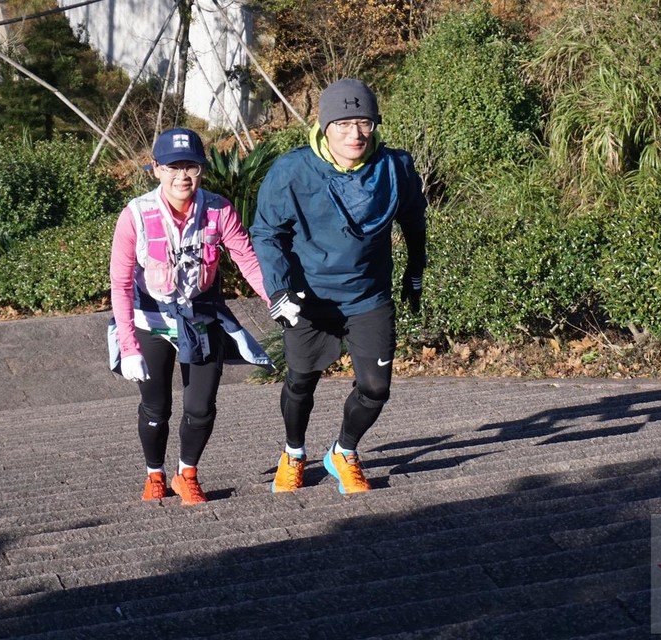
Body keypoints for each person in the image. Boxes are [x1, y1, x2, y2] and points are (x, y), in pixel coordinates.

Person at [250, 78, 427, 495]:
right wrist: (278, 290)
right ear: (325, 126)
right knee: (300, 382)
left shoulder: (394, 168)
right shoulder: (292, 171)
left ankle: (343, 452)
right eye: (344, 124)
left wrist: (415, 270)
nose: (355, 134)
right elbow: (266, 232)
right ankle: (294, 453)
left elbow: (414, 220)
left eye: (364, 122)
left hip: (368, 295)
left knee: (375, 388)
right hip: (308, 297)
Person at [109, 127, 274, 505]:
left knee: (201, 407)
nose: (182, 176)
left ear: (201, 169)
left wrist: (274, 300)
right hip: (150, 322)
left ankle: (187, 473)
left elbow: (247, 259)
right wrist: (128, 347)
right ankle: (155, 474)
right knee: (156, 407)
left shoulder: (218, 209)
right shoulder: (135, 215)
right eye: (173, 167)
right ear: (155, 169)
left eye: (191, 167)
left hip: (201, 317)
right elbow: (120, 284)